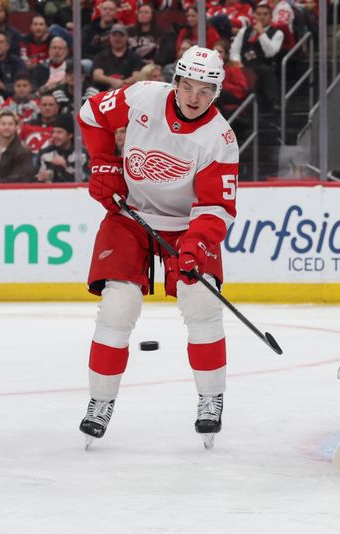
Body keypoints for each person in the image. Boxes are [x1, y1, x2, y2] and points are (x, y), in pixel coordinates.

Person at [75, 45, 239, 448]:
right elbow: (91, 115)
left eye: (205, 90)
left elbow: (217, 205)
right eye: (188, 86)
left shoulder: (220, 139)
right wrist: (103, 163)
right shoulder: (143, 96)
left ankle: (210, 398)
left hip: (187, 225)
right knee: (118, 304)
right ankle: (100, 402)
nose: (194, 97)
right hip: (129, 213)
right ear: (176, 81)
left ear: (216, 93)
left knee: (201, 301)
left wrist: (196, 245)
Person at [230, 2, 284, 112]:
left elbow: (270, 52)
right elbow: (234, 50)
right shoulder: (244, 30)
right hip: (244, 65)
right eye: (259, 14)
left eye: (265, 14)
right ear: (254, 16)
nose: (262, 17)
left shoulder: (277, 33)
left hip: (264, 64)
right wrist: (237, 62)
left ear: (271, 17)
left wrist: (262, 33)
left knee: (266, 71)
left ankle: (274, 102)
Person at [89, 24, 143, 92]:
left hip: (127, 92)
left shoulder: (135, 57)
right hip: (103, 92)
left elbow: (137, 76)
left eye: (121, 35)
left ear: (127, 37)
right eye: (114, 35)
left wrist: (121, 85)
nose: (117, 38)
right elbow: (97, 75)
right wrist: (113, 81)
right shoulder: (101, 56)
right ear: (110, 37)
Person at [37, 113, 88, 182]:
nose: (54, 135)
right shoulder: (45, 154)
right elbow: (36, 180)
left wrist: (66, 166)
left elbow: (87, 180)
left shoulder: (82, 154)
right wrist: (42, 177)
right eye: (53, 132)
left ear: (70, 135)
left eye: (59, 132)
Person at [0, 28, 29, 97]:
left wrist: (3, 86)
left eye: (1, 42)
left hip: (10, 99)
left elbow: (23, 86)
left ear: (8, 46)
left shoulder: (17, 64)